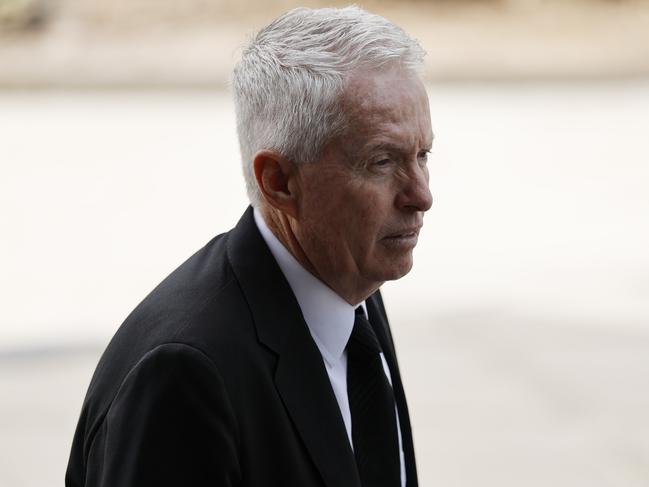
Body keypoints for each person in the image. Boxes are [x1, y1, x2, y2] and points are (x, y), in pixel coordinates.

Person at [66, 6, 433, 487]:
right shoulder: (183, 376)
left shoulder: (350, 281)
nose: (421, 195)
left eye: (423, 155)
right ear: (279, 181)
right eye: (382, 161)